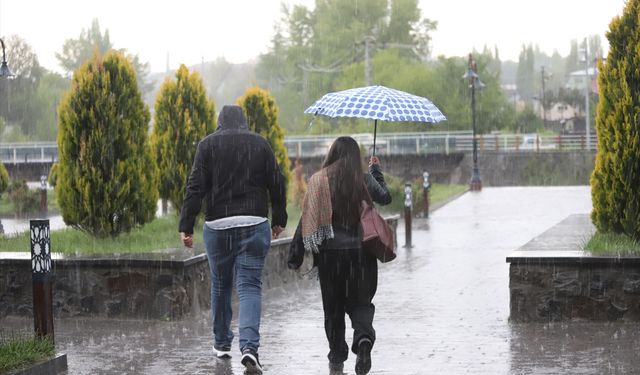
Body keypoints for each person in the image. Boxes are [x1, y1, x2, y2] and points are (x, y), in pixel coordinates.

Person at [179, 105, 287, 374]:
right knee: (250, 286)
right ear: (244, 122)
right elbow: (277, 182)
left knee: (220, 285)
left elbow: (195, 187)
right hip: (253, 222)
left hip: (218, 225)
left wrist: (186, 224)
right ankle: (249, 347)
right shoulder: (259, 144)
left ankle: (222, 342)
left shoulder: (207, 146)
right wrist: (279, 219)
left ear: (219, 123)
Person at [292, 136, 391, 375]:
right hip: (361, 254)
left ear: (332, 154)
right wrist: (375, 172)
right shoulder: (363, 179)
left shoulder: (319, 180)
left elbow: (307, 217)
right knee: (360, 304)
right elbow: (385, 197)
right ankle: (364, 339)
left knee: (333, 308)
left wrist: (295, 253)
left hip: (331, 256)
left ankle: (337, 353)